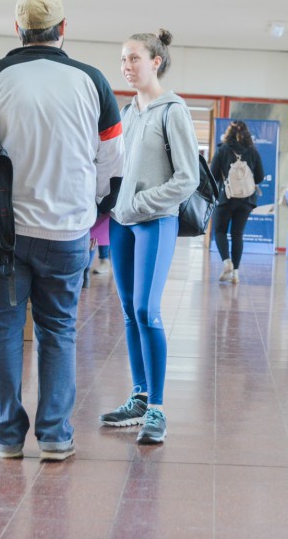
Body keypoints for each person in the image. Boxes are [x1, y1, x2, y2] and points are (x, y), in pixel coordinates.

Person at [0, 0, 122, 461]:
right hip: (68, 233)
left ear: (17, 30)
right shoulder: (93, 81)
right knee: (59, 330)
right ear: (63, 29)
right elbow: (113, 163)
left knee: (4, 329)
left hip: (3, 235)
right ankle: (54, 434)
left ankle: (6, 435)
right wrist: (90, 207)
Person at [102, 29, 198, 445]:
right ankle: (138, 396)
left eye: (134, 58)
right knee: (128, 310)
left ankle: (157, 408)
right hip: (121, 223)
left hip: (155, 220)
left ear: (156, 61)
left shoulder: (172, 111)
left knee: (147, 310)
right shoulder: (129, 112)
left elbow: (187, 179)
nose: (127, 66)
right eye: (123, 59)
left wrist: (140, 204)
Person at [211, 120, 264, 283]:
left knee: (219, 232)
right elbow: (260, 176)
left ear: (228, 133)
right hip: (246, 200)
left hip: (226, 198)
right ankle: (235, 273)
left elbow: (213, 174)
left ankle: (227, 261)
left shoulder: (222, 150)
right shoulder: (253, 152)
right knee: (237, 234)